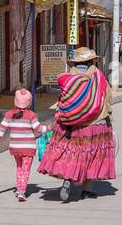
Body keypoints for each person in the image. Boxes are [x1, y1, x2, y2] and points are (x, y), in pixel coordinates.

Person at [39, 47, 116, 202]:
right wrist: (108, 118)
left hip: (70, 124)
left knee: (72, 152)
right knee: (91, 154)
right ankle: (86, 190)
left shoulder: (68, 78)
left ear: (74, 62)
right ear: (92, 61)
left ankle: (68, 178)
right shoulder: (99, 77)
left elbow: (63, 100)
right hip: (95, 124)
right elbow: (107, 99)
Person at [0, 88, 45, 202]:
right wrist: (49, 127)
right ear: (29, 102)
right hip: (28, 148)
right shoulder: (31, 115)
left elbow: (2, 128)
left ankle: (19, 187)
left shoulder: (9, 114)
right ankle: (21, 191)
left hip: (15, 147)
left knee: (19, 167)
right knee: (25, 169)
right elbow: (39, 129)